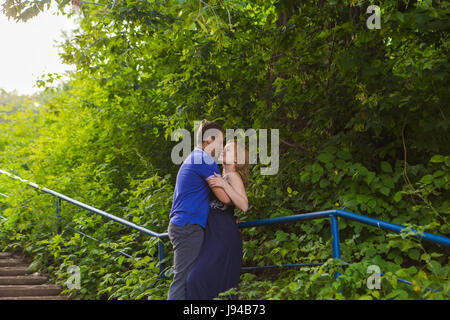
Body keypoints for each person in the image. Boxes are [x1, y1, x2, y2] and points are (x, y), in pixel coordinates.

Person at [167, 120, 232, 300]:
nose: (221, 147)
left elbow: (212, 201)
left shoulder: (195, 157)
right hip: (188, 226)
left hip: (185, 225)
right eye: (220, 142)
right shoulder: (204, 159)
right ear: (209, 140)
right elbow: (225, 198)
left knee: (193, 277)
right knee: (183, 279)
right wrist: (237, 189)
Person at [186, 140, 250, 300]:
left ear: (236, 159)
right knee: (210, 280)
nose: (223, 151)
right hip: (213, 231)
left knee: (197, 277)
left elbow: (244, 205)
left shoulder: (232, 176)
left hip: (223, 234)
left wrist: (224, 184)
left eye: (228, 150)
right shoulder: (220, 175)